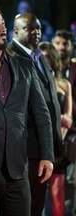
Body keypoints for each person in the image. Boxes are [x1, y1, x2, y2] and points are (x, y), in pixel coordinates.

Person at [0, 4, 54, 216]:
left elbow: (42, 113)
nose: (2, 29)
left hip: (17, 169)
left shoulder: (24, 65)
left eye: (3, 24)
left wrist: (47, 155)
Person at [8, 13, 63, 216]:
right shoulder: (10, 57)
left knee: (37, 207)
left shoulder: (39, 56)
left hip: (43, 149)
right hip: (24, 151)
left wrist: (52, 148)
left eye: (38, 28)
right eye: (30, 28)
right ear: (16, 31)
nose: (36, 32)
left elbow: (50, 104)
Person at [39, 41, 72, 216]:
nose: (43, 60)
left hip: (59, 143)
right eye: (40, 57)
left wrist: (59, 123)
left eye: (46, 57)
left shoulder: (64, 84)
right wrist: (57, 119)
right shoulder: (34, 82)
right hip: (39, 144)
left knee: (57, 192)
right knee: (38, 195)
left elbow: (69, 117)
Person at [52, 29, 76, 216]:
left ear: (71, 46)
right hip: (53, 134)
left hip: (73, 132)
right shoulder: (44, 69)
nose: (61, 48)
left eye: (64, 44)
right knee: (55, 187)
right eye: (58, 43)